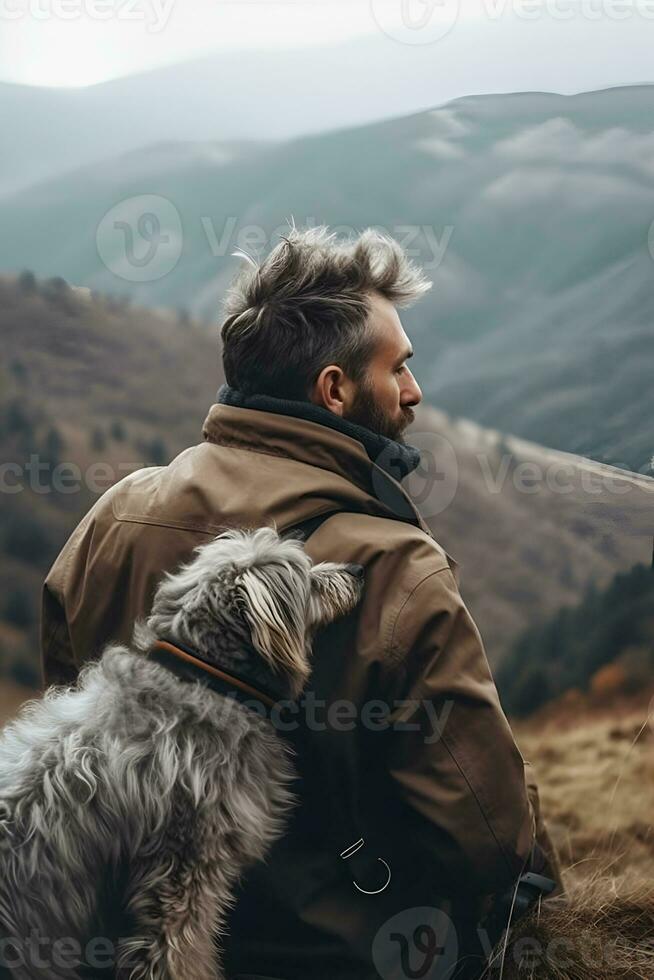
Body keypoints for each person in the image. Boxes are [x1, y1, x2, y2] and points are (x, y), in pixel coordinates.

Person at [41, 226, 562, 980]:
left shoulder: (115, 516)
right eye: (400, 369)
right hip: (332, 959)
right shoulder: (394, 567)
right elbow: (485, 836)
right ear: (334, 390)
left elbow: (66, 716)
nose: (414, 392)